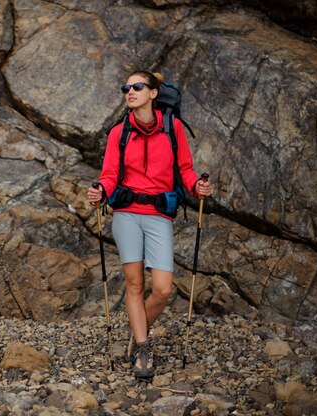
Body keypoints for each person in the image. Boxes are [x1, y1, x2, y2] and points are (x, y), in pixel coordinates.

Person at [87, 70, 212, 379]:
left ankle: (137, 331)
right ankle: (143, 347)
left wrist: (197, 186)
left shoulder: (173, 128)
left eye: (137, 87)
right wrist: (100, 191)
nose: (130, 91)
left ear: (153, 93)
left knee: (162, 289)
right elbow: (109, 173)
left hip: (158, 215)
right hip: (126, 213)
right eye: (126, 87)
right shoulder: (119, 132)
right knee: (134, 284)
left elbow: (185, 168)